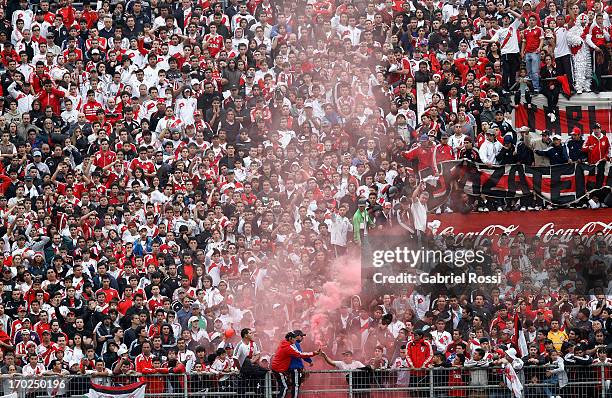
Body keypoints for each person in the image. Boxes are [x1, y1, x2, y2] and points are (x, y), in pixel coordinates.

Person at [270, 332, 319, 398]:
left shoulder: (284, 343)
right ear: (290, 338)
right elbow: (300, 354)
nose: (295, 340)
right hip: (279, 369)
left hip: (279, 369)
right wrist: (314, 353)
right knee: (286, 387)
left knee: (287, 386)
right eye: (294, 338)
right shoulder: (288, 347)